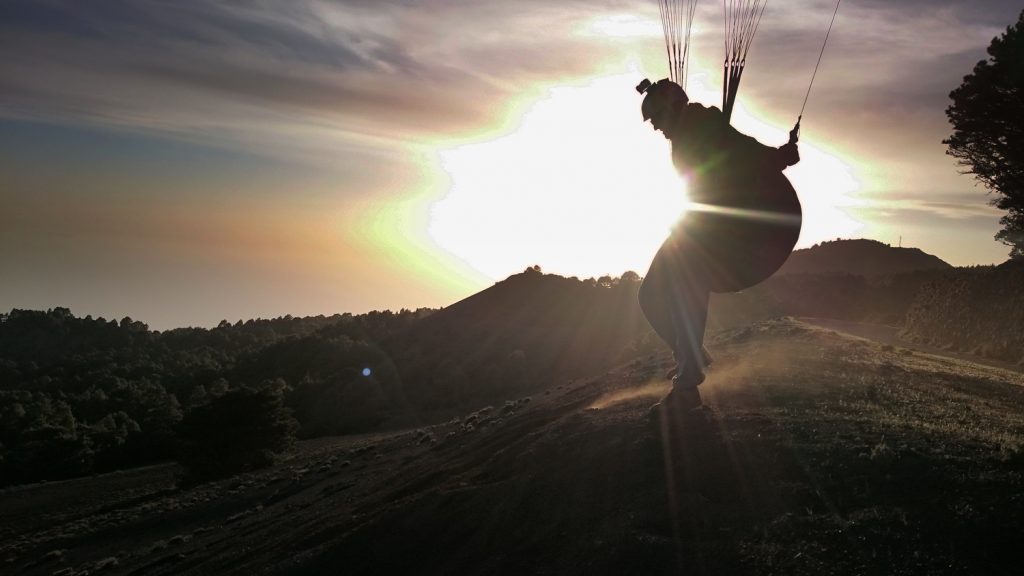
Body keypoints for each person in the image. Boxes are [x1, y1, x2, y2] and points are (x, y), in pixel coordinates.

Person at [636, 78, 802, 412]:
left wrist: (780, 157)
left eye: (655, 120)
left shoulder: (704, 124)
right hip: (701, 227)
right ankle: (691, 354)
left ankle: (687, 385)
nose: (655, 128)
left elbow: (746, 152)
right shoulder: (687, 132)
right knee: (650, 294)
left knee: (688, 281)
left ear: (669, 109)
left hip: (739, 232)